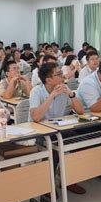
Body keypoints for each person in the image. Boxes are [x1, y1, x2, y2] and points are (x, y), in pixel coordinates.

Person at [28, 62, 86, 194]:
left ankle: (70, 180)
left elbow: (81, 111)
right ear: (48, 80)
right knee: (53, 150)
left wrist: (71, 94)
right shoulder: (36, 91)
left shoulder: (64, 89)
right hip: (39, 132)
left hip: (58, 129)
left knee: (79, 140)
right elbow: (36, 117)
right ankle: (48, 187)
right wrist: (51, 96)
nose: (63, 76)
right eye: (59, 74)